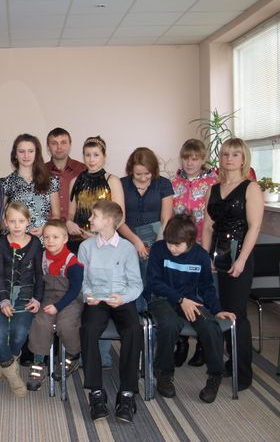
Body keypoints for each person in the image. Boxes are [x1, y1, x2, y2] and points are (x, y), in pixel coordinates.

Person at [147, 214, 236, 403]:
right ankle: (164, 373)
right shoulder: (158, 249)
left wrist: (217, 309)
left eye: (176, 245)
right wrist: (180, 299)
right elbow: (154, 282)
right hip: (162, 299)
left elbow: (206, 287)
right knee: (170, 324)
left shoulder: (201, 256)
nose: (171, 248)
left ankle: (215, 377)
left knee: (210, 326)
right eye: (169, 243)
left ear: (190, 242)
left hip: (190, 301)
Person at [202, 138, 263, 391]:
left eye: (235, 154)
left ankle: (243, 371)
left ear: (243, 158)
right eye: (226, 154)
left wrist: (241, 260)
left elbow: (254, 227)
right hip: (216, 254)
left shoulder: (251, 188)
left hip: (240, 255)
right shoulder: (213, 189)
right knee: (221, 311)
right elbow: (208, 226)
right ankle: (230, 361)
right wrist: (206, 257)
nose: (229, 159)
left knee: (237, 314)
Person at [78, 201, 143, 423]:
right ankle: (96, 392)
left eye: (94, 215)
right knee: (88, 329)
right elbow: (82, 281)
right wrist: (88, 295)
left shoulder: (127, 248)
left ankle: (127, 393)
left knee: (133, 329)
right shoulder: (86, 247)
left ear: (108, 221)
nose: (90, 219)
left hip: (121, 299)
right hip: (97, 299)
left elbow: (136, 284)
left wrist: (123, 298)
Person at [66, 135, 124, 368]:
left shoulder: (113, 181)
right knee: (81, 296)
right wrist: (69, 223)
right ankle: (79, 350)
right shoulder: (75, 180)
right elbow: (70, 215)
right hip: (78, 243)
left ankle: (103, 353)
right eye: (87, 155)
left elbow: (120, 218)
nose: (91, 159)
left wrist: (99, 235)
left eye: (96, 155)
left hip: (103, 244)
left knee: (101, 295)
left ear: (104, 156)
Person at [171, 139, 219, 367]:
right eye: (186, 158)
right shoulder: (174, 183)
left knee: (202, 292)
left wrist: (206, 253)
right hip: (178, 248)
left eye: (195, 159)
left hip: (202, 245)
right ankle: (181, 342)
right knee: (180, 292)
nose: (190, 163)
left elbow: (212, 220)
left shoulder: (213, 182)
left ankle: (202, 344)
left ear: (202, 159)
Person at [0, 202, 43, 397]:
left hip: (25, 296)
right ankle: (13, 376)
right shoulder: (0, 243)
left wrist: (37, 299)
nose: (17, 225)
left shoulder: (35, 243)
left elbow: (39, 274)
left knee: (20, 333)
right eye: (12, 221)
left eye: (21, 221)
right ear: (5, 222)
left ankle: (3, 365)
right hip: (1, 294)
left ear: (28, 221)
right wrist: (3, 300)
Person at [26, 219, 84, 392]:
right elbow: (38, 282)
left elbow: (75, 290)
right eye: (46, 237)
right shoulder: (42, 257)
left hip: (70, 300)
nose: (50, 241)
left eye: (55, 237)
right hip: (47, 298)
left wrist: (58, 306)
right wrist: (37, 300)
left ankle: (73, 356)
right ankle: (38, 362)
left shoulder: (72, 261)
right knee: (40, 322)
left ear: (65, 239)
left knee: (65, 324)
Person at [118, 147, 173, 287]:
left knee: (154, 277)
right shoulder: (121, 184)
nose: (143, 178)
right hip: (127, 240)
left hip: (158, 238)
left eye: (147, 173)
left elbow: (166, 218)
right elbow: (118, 220)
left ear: (154, 170)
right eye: (138, 174)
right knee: (131, 280)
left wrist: (158, 244)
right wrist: (135, 241)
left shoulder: (163, 184)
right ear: (130, 170)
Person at [1, 134, 60, 237]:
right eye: (21, 151)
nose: (26, 155)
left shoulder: (50, 180)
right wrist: (13, 228)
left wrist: (45, 228)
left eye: (30, 151)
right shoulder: (7, 182)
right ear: (15, 154)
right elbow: (0, 218)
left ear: (36, 153)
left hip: (43, 240)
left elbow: (56, 215)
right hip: (16, 241)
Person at [45, 128, 86, 221]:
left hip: (77, 227)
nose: (59, 147)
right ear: (48, 147)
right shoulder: (39, 172)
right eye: (54, 143)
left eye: (63, 142)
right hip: (49, 228)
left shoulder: (83, 170)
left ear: (70, 145)